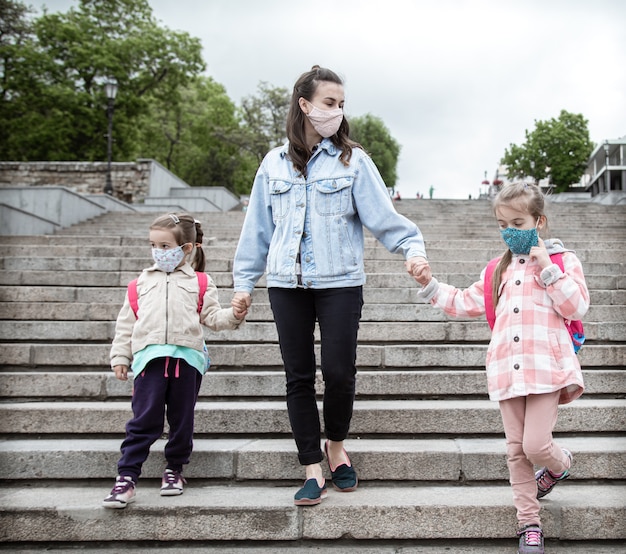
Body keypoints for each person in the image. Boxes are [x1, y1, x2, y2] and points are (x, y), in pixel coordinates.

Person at [232, 65, 431, 506]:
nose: (337, 112)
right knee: (298, 376)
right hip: (286, 284)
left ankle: (335, 446)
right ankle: (310, 467)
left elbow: (385, 219)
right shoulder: (272, 164)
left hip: (340, 282)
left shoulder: (353, 160)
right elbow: (257, 230)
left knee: (339, 373)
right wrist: (244, 282)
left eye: (341, 104)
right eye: (329, 103)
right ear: (304, 105)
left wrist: (412, 252)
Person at [411, 182, 589, 553]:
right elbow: (463, 301)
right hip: (508, 370)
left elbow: (577, 308)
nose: (509, 230)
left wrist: (547, 269)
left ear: (539, 222)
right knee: (516, 451)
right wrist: (430, 285)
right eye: (502, 223)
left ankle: (558, 464)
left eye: (518, 222)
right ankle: (529, 523)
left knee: (536, 445)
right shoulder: (497, 270)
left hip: (548, 369)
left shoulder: (562, 262)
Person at [104, 212, 248, 509]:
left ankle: (174, 470)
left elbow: (212, 317)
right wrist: (121, 356)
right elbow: (126, 324)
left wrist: (234, 315)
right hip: (149, 361)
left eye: (165, 245)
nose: (158, 251)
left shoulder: (201, 282)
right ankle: (127, 477)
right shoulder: (139, 284)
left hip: (187, 361)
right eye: (153, 244)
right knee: (143, 421)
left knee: (182, 420)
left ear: (186, 248)